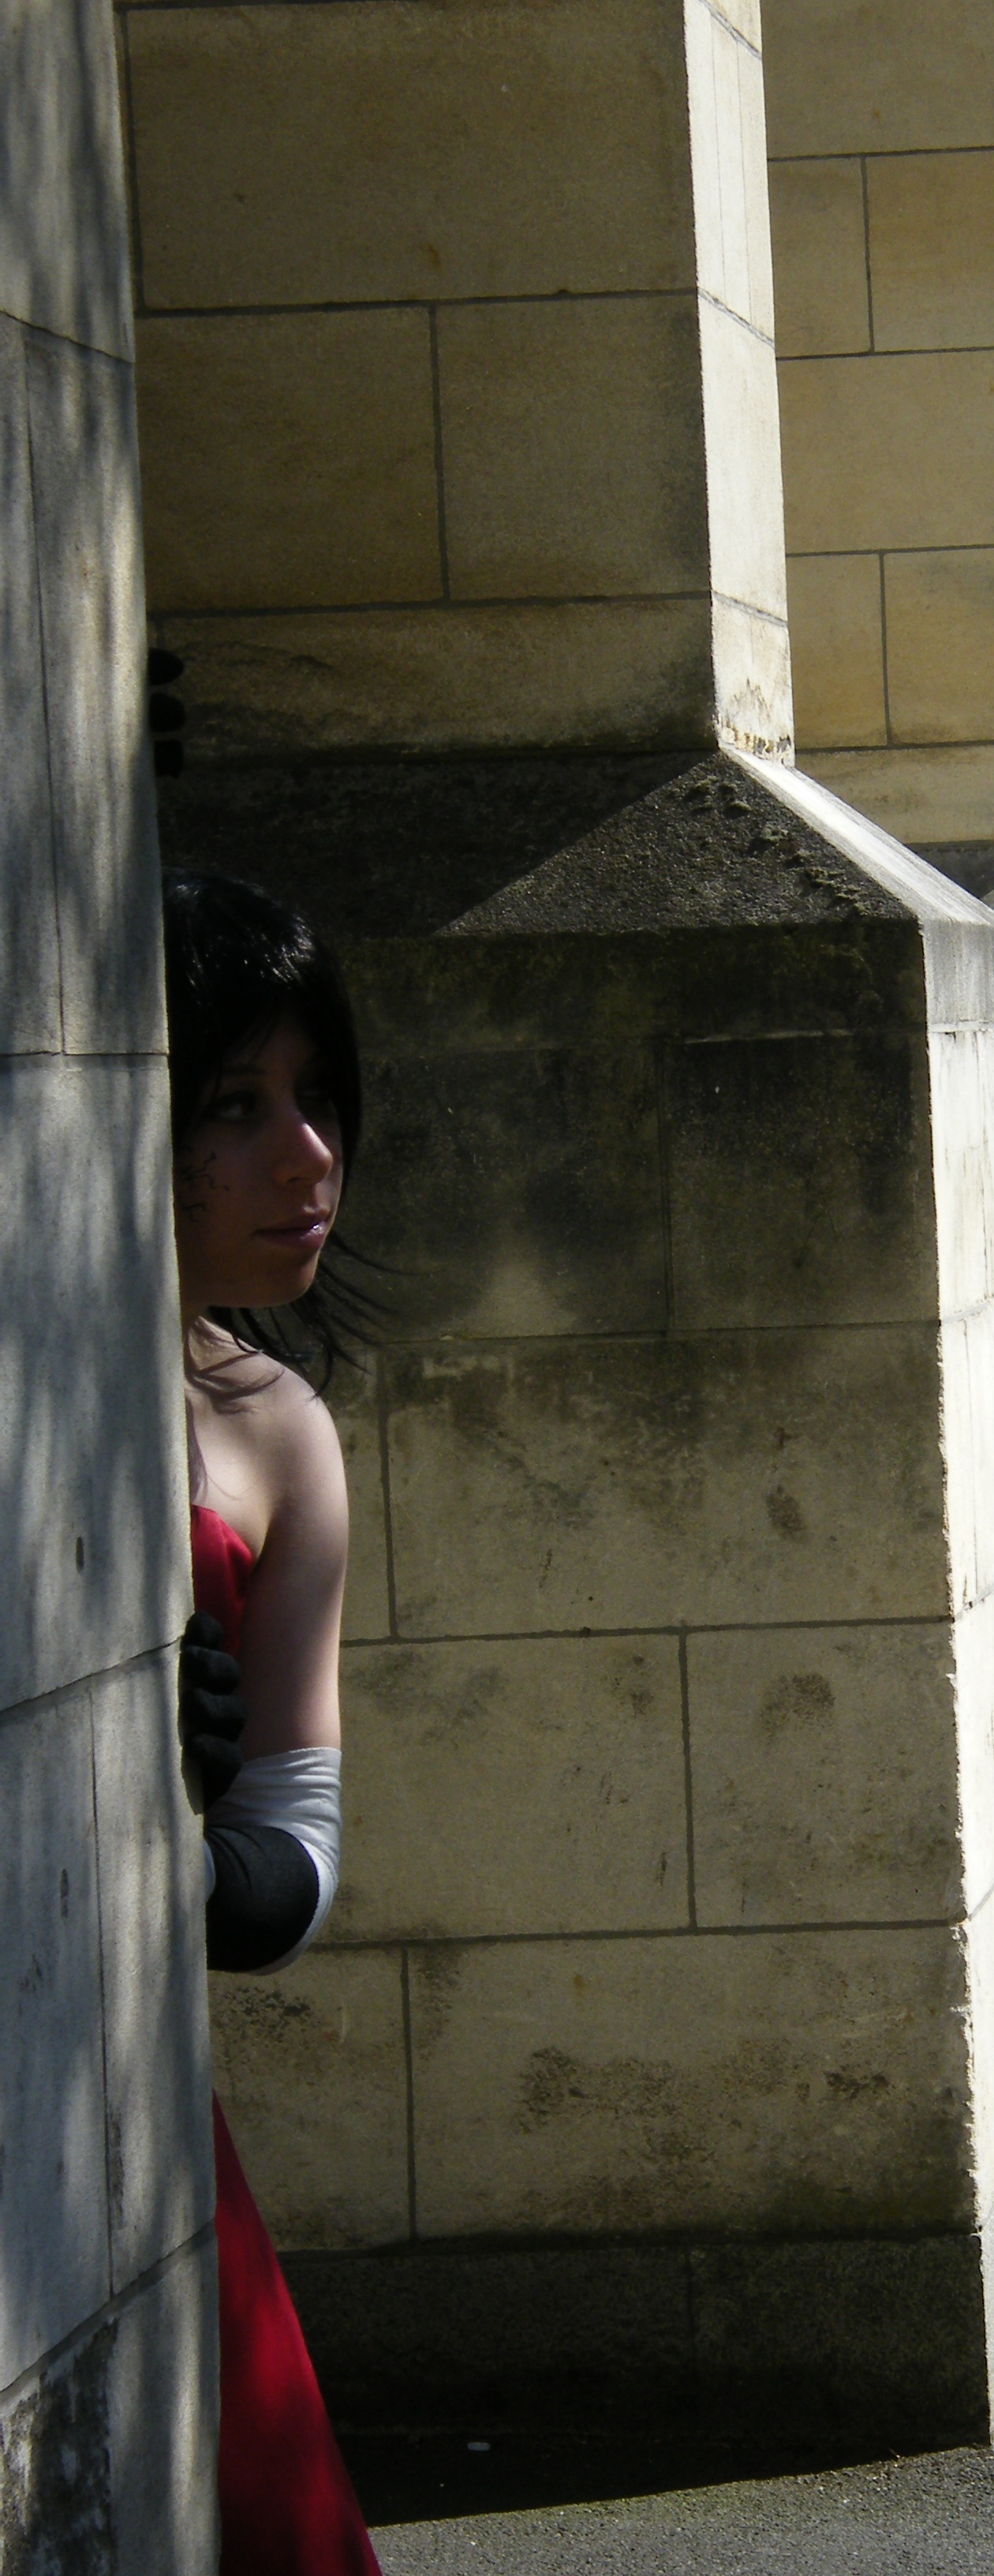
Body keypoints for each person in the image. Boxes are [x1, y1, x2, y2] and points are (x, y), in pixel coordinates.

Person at [165, 870, 382, 2576]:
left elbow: (293, 1860)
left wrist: (170, 1842)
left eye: (316, 1097)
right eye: (235, 1103)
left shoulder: (277, 1424)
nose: (306, 1156)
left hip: (133, 2118)